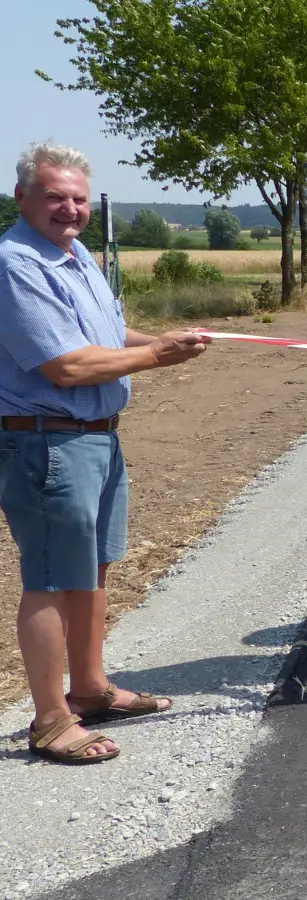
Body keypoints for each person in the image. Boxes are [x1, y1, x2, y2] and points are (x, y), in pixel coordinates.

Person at [0, 142, 210, 764]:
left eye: (78, 198)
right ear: (23, 199)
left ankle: (89, 689)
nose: (69, 209)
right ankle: (50, 720)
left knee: (91, 569)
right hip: (46, 442)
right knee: (49, 579)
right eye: (55, 197)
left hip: (96, 437)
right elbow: (66, 366)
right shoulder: (17, 264)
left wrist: (168, 340)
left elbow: (107, 336)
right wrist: (157, 356)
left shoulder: (76, 256)